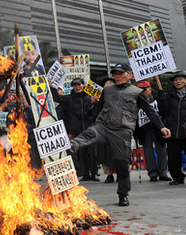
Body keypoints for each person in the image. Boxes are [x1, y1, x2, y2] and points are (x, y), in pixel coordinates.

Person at [70, 63, 171, 206]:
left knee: (122, 164)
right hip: (103, 126)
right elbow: (99, 108)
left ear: (129, 75)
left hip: (122, 131)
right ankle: (65, 151)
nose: (117, 76)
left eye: (120, 73)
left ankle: (123, 194)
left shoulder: (137, 92)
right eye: (115, 74)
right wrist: (92, 120)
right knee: (86, 136)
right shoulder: (107, 90)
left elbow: (150, 111)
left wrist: (161, 127)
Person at [53, 77, 98, 181]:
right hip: (77, 130)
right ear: (72, 87)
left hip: (90, 128)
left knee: (92, 152)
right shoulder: (69, 98)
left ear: (83, 85)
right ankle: (85, 173)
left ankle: (94, 173)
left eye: (79, 84)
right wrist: (52, 86)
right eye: (75, 85)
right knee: (81, 153)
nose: (77, 87)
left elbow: (96, 111)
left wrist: (93, 103)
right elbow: (57, 98)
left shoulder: (90, 97)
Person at [158, 70, 186, 185]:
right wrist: (161, 98)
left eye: (180, 79)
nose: (178, 82)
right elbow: (163, 111)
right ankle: (177, 178)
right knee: (173, 157)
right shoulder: (169, 95)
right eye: (176, 80)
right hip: (172, 131)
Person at [134, 80, 170, 182]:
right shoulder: (135, 102)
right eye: (139, 90)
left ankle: (163, 172)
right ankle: (152, 173)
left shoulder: (157, 99)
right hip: (144, 129)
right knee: (148, 151)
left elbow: (164, 110)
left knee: (161, 150)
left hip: (157, 128)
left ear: (150, 89)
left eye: (144, 89)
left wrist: (162, 97)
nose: (142, 92)